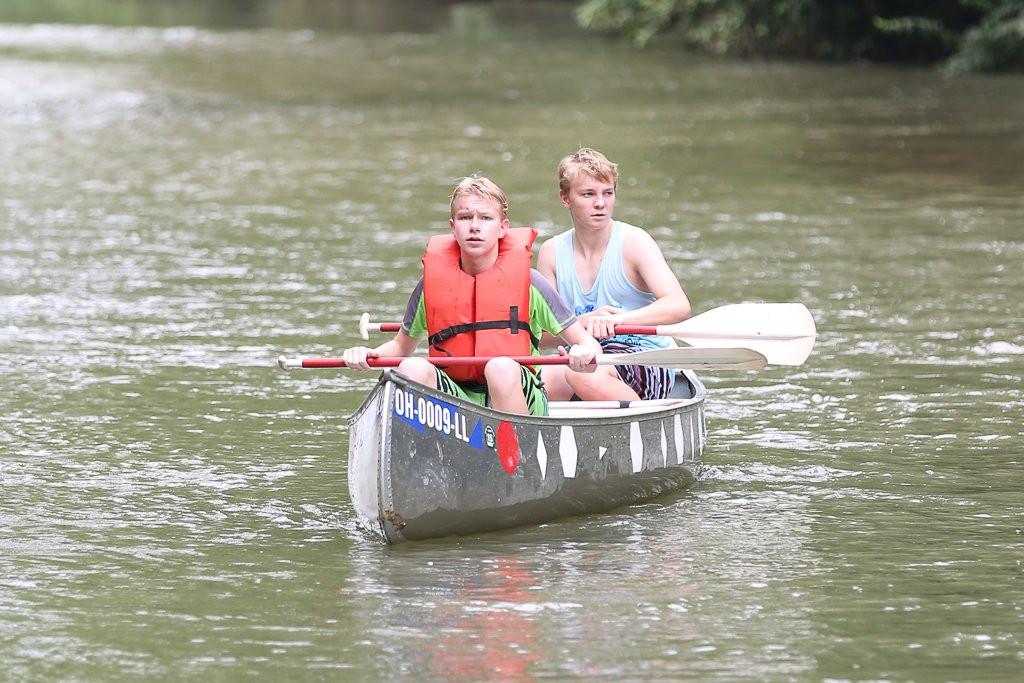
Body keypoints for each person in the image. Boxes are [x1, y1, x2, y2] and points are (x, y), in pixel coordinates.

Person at [342, 175, 609, 416]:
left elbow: (588, 343)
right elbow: (401, 348)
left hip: (517, 391)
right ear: (453, 227)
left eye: (485, 218)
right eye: (465, 217)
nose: (474, 226)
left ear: (503, 228)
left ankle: (518, 457)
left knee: (499, 368)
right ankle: (428, 452)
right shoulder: (429, 286)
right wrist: (368, 354)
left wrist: (583, 355)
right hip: (457, 394)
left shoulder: (531, 283)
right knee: (410, 368)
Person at [536, 147, 692, 401]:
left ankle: (641, 425)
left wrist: (621, 320)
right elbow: (540, 336)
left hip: (642, 357)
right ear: (565, 199)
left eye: (607, 193)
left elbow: (679, 306)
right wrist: (581, 325)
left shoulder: (634, 242)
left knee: (582, 375)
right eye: (588, 194)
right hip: (581, 354)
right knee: (539, 380)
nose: (600, 203)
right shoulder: (551, 252)